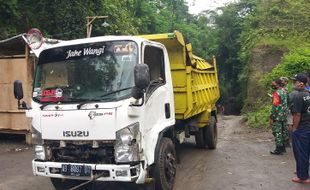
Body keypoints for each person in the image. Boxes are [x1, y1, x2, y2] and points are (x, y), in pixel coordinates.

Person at [290, 73, 310, 184]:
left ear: (301, 84)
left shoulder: (299, 96)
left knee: (301, 153)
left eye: (295, 82)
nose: (294, 84)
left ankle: (303, 177)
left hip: (302, 128)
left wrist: (294, 128)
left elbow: (297, 114)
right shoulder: (309, 94)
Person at [269, 79, 289, 155]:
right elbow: (288, 102)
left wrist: (271, 116)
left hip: (277, 116)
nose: (272, 85)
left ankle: (278, 149)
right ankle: (283, 147)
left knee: (277, 132)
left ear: (277, 84)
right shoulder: (285, 91)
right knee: (283, 131)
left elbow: (275, 106)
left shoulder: (276, 93)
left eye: (273, 83)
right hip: (284, 115)